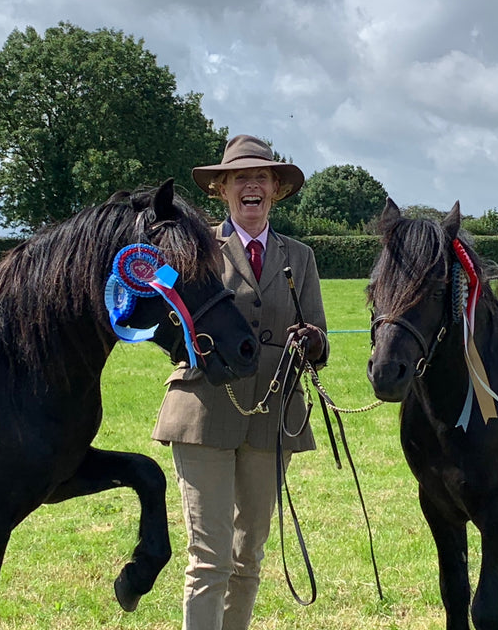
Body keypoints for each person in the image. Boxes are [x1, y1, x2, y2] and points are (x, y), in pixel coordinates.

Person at [152, 134, 329, 630]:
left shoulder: (302, 256)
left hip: (272, 418)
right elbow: (165, 325)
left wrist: (312, 342)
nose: (252, 186)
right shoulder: (196, 247)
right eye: (240, 179)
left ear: (274, 189)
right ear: (223, 190)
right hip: (204, 413)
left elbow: (322, 341)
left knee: (248, 554)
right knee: (210, 558)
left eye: (262, 178)